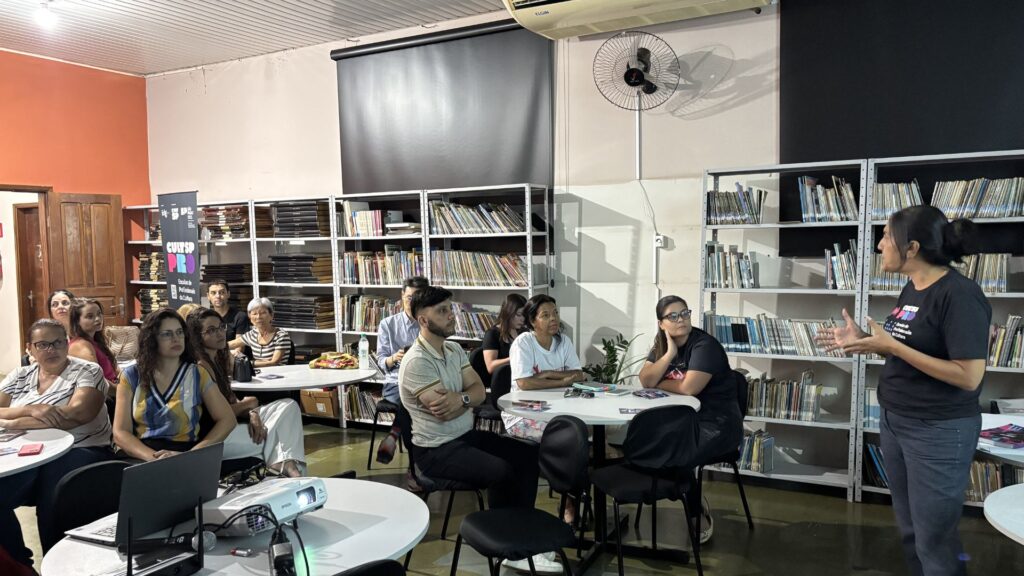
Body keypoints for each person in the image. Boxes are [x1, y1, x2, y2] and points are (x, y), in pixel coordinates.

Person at [821, 205, 989, 576]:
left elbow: (969, 376)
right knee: (913, 531)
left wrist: (891, 347)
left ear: (911, 247)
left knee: (935, 539)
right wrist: (864, 341)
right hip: (897, 420)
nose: (879, 245)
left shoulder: (960, 295)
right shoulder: (912, 287)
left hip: (938, 431)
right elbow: (912, 349)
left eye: (885, 236)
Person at [398, 286, 552, 572]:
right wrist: (463, 399)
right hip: (435, 450)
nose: (450, 316)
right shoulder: (417, 361)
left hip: (465, 436)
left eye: (450, 309)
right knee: (501, 471)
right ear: (423, 320)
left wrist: (462, 398)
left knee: (527, 455)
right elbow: (443, 412)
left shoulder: (454, 349)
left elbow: (481, 392)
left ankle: (521, 535)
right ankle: (507, 545)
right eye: (442, 311)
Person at [0, 319, 112, 568]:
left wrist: (8, 422)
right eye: (43, 344)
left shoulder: (86, 371)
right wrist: (33, 409)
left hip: (82, 449)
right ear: (30, 348)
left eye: (58, 342)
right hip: (27, 454)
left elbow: (76, 415)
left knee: (54, 490)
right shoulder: (22, 375)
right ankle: (20, 565)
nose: (52, 349)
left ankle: (60, 567)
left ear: (66, 343)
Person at [637, 295, 742, 544]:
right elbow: (644, 379)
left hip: (718, 423)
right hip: (685, 420)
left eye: (684, 313)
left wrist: (661, 382)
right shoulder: (662, 345)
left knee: (677, 453)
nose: (681, 319)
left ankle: (695, 512)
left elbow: (689, 388)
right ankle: (686, 493)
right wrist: (669, 354)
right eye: (672, 316)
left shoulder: (704, 345)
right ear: (661, 323)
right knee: (648, 444)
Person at [188, 308, 306, 477]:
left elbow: (231, 401)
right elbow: (218, 415)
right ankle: (291, 473)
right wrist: (250, 404)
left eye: (221, 327)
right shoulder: (201, 366)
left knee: (289, 406)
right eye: (211, 330)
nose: (220, 333)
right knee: (277, 436)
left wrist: (251, 411)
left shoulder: (217, 360)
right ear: (197, 336)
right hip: (218, 437)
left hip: (234, 425)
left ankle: (283, 467)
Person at [112, 308, 235, 461]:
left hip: (184, 454)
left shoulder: (197, 373)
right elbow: (120, 433)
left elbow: (227, 420)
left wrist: (192, 455)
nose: (176, 339)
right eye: (167, 334)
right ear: (151, 339)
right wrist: (155, 459)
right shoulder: (131, 376)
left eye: (179, 332)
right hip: (141, 455)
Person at [504, 294, 587, 442]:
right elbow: (524, 383)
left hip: (556, 405)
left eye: (555, 312)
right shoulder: (523, 343)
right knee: (569, 432)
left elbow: (579, 375)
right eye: (546, 315)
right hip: (522, 410)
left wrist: (547, 373)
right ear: (532, 321)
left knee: (589, 425)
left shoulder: (563, 341)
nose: (554, 318)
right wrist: (562, 382)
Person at [374, 276, 429, 464]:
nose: (412, 302)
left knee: (419, 397)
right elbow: (380, 361)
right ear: (402, 296)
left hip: (425, 380)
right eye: (408, 297)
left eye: (417, 298)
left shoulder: (429, 323)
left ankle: (393, 436)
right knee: (411, 399)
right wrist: (394, 358)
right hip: (395, 382)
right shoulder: (387, 325)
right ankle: (416, 466)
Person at [68, 298, 120, 391]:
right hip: (106, 396)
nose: (98, 319)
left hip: (115, 386)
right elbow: (97, 381)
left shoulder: (95, 340)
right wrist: (122, 392)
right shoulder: (80, 346)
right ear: (77, 321)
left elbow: (114, 370)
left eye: (99, 314)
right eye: (90, 316)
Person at [233, 298, 292, 368]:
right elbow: (228, 345)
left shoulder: (281, 335)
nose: (258, 317)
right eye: (254, 314)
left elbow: (274, 363)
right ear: (250, 317)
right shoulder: (252, 334)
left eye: (263, 313)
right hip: (259, 374)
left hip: (278, 375)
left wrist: (247, 363)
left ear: (271, 315)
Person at [481, 293, 527, 374]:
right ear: (508, 313)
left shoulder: (523, 331)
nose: (523, 319)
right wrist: (514, 358)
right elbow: (490, 367)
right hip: (503, 379)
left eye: (524, 315)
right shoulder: (492, 334)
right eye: (519, 315)